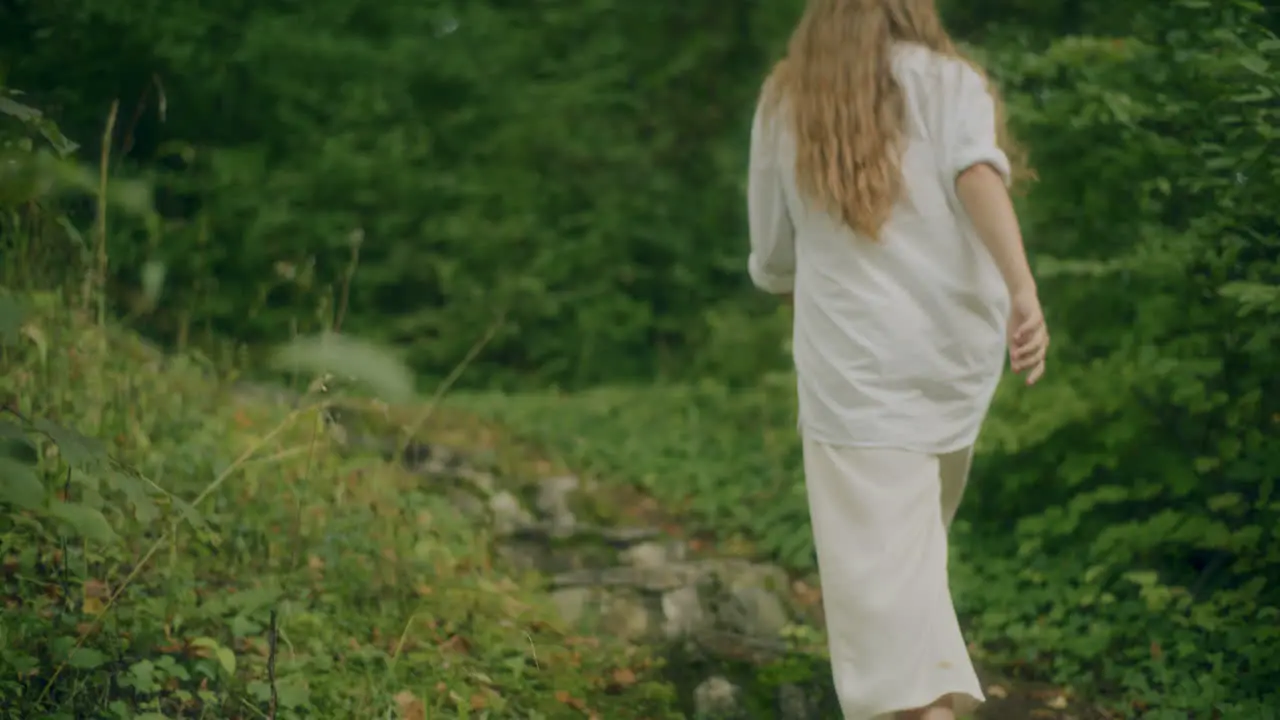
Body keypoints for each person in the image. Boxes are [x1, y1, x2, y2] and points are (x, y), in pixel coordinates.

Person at [745, 0, 1049, 718]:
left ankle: (925, 710)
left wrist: (796, 282)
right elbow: (977, 173)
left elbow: (774, 253)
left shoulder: (787, 98)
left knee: (882, 583)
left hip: (854, 373)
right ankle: (934, 701)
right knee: (906, 569)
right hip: (949, 364)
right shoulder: (951, 82)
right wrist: (1021, 287)